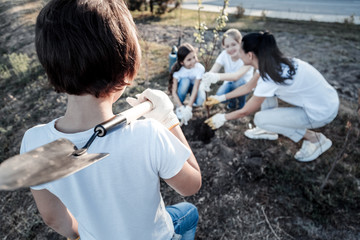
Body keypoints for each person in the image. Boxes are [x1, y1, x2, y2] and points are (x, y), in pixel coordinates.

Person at [22, 1, 201, 239]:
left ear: (50, 66)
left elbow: (53, 218)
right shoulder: (147, 134)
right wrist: (169, 120)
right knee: (189, 212)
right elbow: (192, 185)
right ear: (127, 70)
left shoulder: (33, 142)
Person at [204, 31, 339, 162]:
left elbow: (245, 111)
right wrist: (221, 98)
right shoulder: (272, 63)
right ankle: (269, 130)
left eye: (240, 51)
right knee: (262, 91)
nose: (238, 54)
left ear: (250, 55)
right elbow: (248, 87)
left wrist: (223, 117)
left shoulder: (268, 78)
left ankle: (315, 139)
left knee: (260, 119)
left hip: (321, 112)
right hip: (328, 100)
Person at [199, 29, 253, 110]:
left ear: (240, 43)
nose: (230, 49)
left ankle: (242, 105)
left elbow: (236, 77)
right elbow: (213, 71)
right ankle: (232, 104)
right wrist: (205, 81)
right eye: (227, 46)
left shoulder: (247, 56)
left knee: (236, 84)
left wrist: (216, 76)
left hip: (245, 84)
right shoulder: (224, 55)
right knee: (221, 95)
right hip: (229, 83)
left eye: (233, 44)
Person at [168, 43, 205, 125]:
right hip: (183, 88)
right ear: (182, 62)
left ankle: (192, 104)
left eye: (194, 57)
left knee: (200, 101)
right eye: (189, 60)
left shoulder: (199, 68)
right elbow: (174, 92)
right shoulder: (178, 72)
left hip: (194, 88)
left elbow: (195, 88)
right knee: (185, 81)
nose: (193, 61)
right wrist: (181, 106)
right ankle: (180, 106)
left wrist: (189, 107)